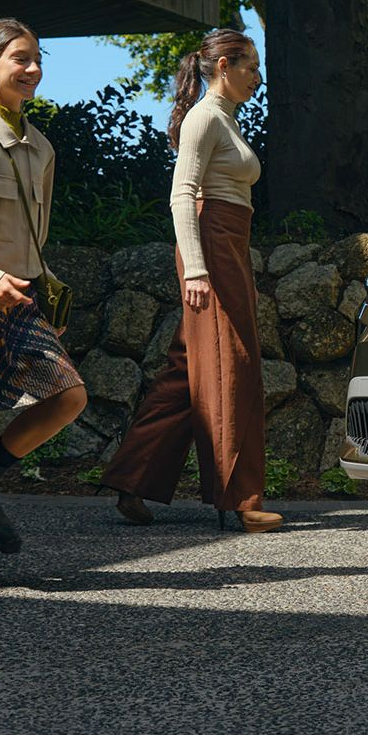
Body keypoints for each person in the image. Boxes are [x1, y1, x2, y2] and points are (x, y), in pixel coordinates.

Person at [101, 29, 282, 533]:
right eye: (251, 67)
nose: (258, 77)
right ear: (224, 66)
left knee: (193, 369)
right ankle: (240, 498)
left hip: (229, 242)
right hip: (213, 244)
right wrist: (198, 268)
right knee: (232, 363)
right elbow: (183, 194)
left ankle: (133, 477)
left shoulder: (225, 117)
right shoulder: (204, 117)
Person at [0, 21, 87, 555]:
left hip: (21, 300)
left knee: (68, 396)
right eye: (21, 59)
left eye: (38, 59)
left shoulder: (42, 149)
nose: (33, 69)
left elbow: (35, 236)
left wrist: (45, 291)